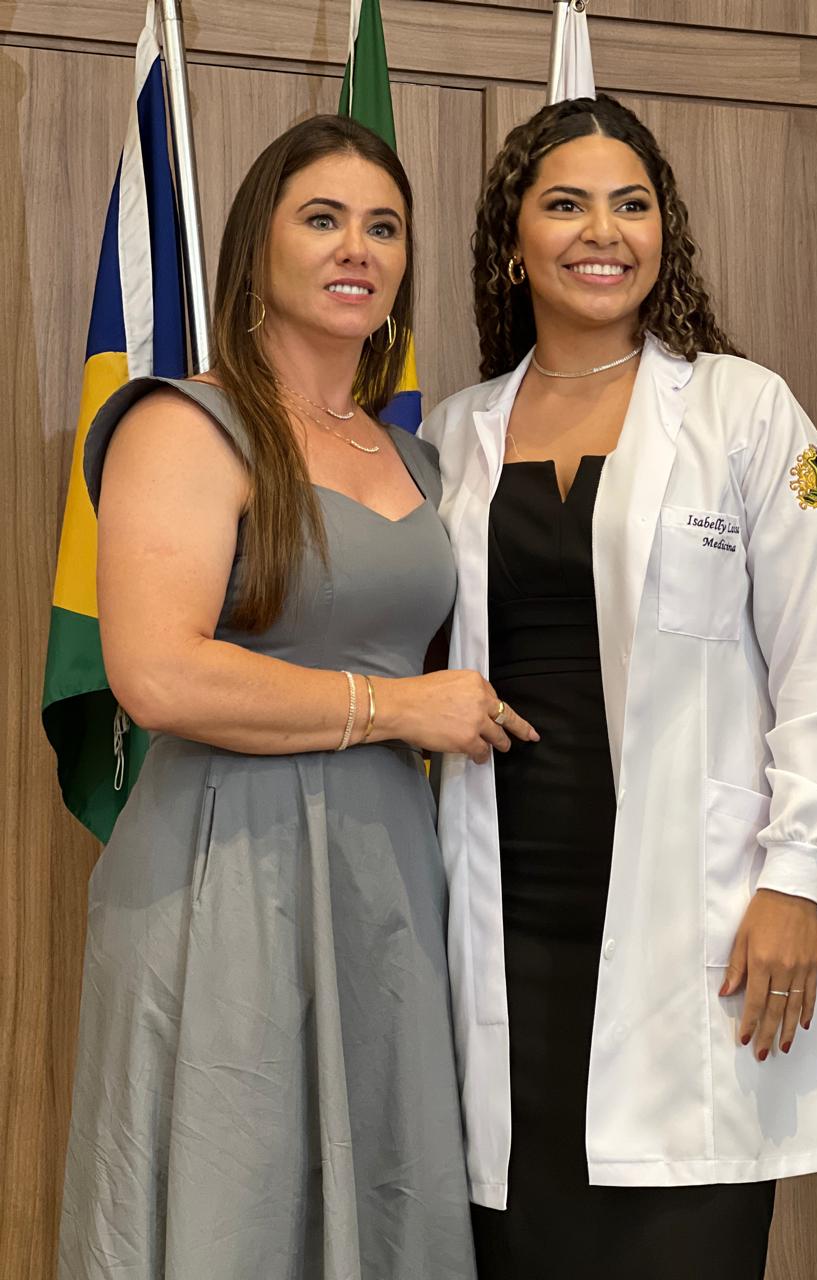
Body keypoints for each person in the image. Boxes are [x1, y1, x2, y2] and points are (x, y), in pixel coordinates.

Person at [58, 113, 535, 1280]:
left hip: (389, 876)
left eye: (384, 226)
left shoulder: (417, 457)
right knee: (238, 1194)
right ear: (256, 247)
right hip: (226, 869)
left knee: (382, 1193)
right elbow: (158, 673)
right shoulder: (184, 421)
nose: (357, 248)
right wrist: (400, 708)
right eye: (323, 219)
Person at [420, 94, 817, 1280]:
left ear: (664, 231)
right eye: (565, 203)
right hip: (504, 913)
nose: (602, 231)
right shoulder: (454, 435)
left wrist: (795, 875)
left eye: (631, 204)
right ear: (512, 241)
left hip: (702, 911)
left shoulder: (743, 409)